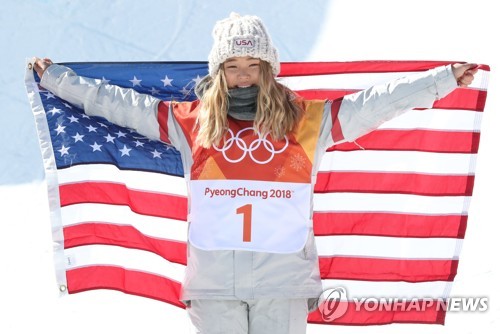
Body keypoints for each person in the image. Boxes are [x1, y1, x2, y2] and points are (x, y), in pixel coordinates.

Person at [33, 12, 477, 334]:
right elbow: (121, 106)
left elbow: (375, 103)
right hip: (214, 286)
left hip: (281, 283)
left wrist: (442, 79)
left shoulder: (307, 121)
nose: (243, 76)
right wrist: (58, 81)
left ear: (268, 68)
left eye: (252, 66)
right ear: (219, 71)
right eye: (232, 66)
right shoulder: (192, 122)